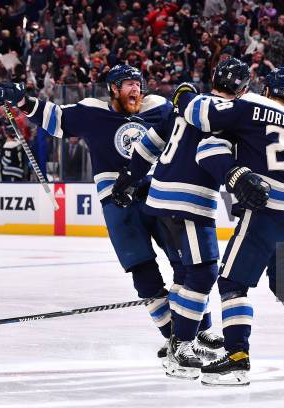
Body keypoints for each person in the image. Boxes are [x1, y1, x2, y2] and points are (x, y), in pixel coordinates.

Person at [0, 65, 218, 360]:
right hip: (116, 202)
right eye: (128, 84)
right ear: (113, 88)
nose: (135, 89)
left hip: (158, 194)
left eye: (138, 84)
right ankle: (174, 337)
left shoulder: (159, 108)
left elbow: (188, 123)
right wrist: (21, 100)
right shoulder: (92, 111)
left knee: (187, 263)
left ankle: (202, 328)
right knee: (144, 274)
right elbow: (56, 118)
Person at [173, 66, 284, 386]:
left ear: (265, 88)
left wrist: (184, 97)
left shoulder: (249, 105)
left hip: (264, 210)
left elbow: (202, 114)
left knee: (233, 283)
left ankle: (237, 357)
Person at [114, 58, 249, 379]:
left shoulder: (182, 108)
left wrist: (128, 179)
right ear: (242, 89)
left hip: (158, 198)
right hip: (188, 201)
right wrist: (240, 197)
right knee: (203, 274)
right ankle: (182, 344)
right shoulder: (227, 114)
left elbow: (148, 144)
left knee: (188, 272)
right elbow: (216, 156)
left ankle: (183, 335)